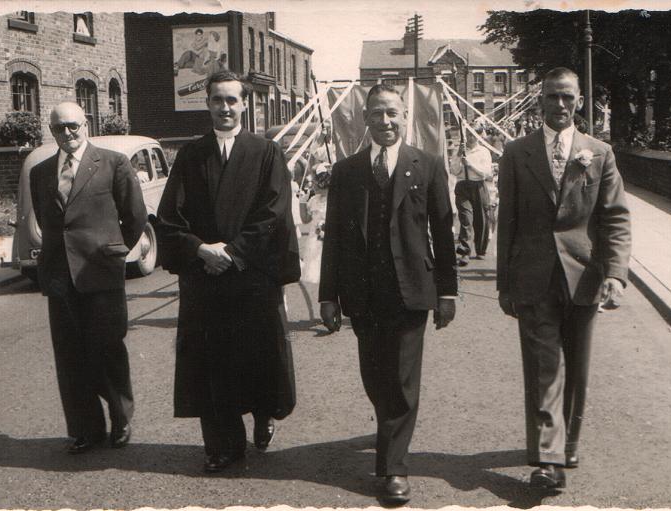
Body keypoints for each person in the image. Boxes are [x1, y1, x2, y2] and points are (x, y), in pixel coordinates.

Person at [318, 83, 457, 505]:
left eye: (393, 113)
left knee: (401, 381)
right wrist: (328, 296)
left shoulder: (428, 165)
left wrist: (447, 292)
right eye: (377, 113)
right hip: (363, 294)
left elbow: (444, 233)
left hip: (411, 290)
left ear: (405, 117)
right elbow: (335, 240)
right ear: (365, 119)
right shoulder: (346, 171)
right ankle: (389, 439)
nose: (385, 121)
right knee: (375, 378)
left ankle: (393, 468)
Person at [157, 70, 300, 473]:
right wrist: (201, 250)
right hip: (205, 277)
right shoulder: (190, 155)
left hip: (252, 274)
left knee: (257, 356)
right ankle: (223, 444)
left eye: (232, 100)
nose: (225, 108)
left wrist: (234, 253)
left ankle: (262, 415)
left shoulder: (266, 153)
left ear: (245, 104)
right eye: (217, 100)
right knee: (211, 362)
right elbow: (170, 217)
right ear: (208, 104)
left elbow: (273, 212)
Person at [496, 67, 631, 490]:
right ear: (541, 100)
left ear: (579, 102)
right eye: (552, 96)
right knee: (545, 367)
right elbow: (508, 222)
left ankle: (568, 443)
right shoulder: (517, 153)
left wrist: (616, 273)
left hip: (584, 276)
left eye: (567, 97)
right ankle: (548, 460)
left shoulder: (599, 152)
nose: (560, 104)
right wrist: (505, 283)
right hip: (533, 277)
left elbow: (615, 218)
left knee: (578, 370)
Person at [29, 101, 147, 454]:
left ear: (86, 125)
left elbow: (136, 217)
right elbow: (50, 223)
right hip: (60, 276)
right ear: (51, 131)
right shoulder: (40, 173)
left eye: (73, 126)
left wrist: (113, 251)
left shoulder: (113, 163)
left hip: (101, 272)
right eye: (59, 128)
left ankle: (121, 418)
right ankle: (85, 427)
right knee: (70, 356)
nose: (67, 133)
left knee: (108, 348)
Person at [451, 129, 493, 266]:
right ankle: (464, 251)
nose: (470, 138)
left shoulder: (483, 151)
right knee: (466, 218)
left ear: (478, 136)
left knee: (482, 219)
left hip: (479, 186)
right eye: (468, 135)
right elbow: (454, 171)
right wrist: (458, 157)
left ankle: (481, 250)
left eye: (473, 135)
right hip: (463, 186)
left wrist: (470, 164)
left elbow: (486, 172)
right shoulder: (459, 150)